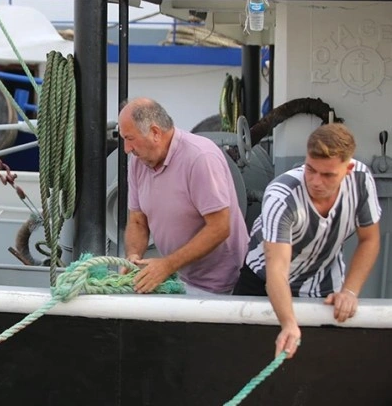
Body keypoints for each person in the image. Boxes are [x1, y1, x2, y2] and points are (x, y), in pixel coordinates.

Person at [233, 123, 381, 359]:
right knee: (242, 356)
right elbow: (276, 271)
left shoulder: (361, 181)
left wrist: (350, 291)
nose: (315, 181)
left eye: (328, 175)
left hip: (322, 280)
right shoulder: (281, 196)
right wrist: (289, 323)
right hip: (263, 279)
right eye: (310, 169)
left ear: (348, 169)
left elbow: (369, 239)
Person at [118, 98, 249, 295]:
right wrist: (133, 255)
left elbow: (220, 227)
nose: (126, 149)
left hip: (224, 286)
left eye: (129, 139)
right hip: (181, 279)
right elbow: (137, 221)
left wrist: (167, 265)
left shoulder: (200, 157)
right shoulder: (137, 163)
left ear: (155, 132)